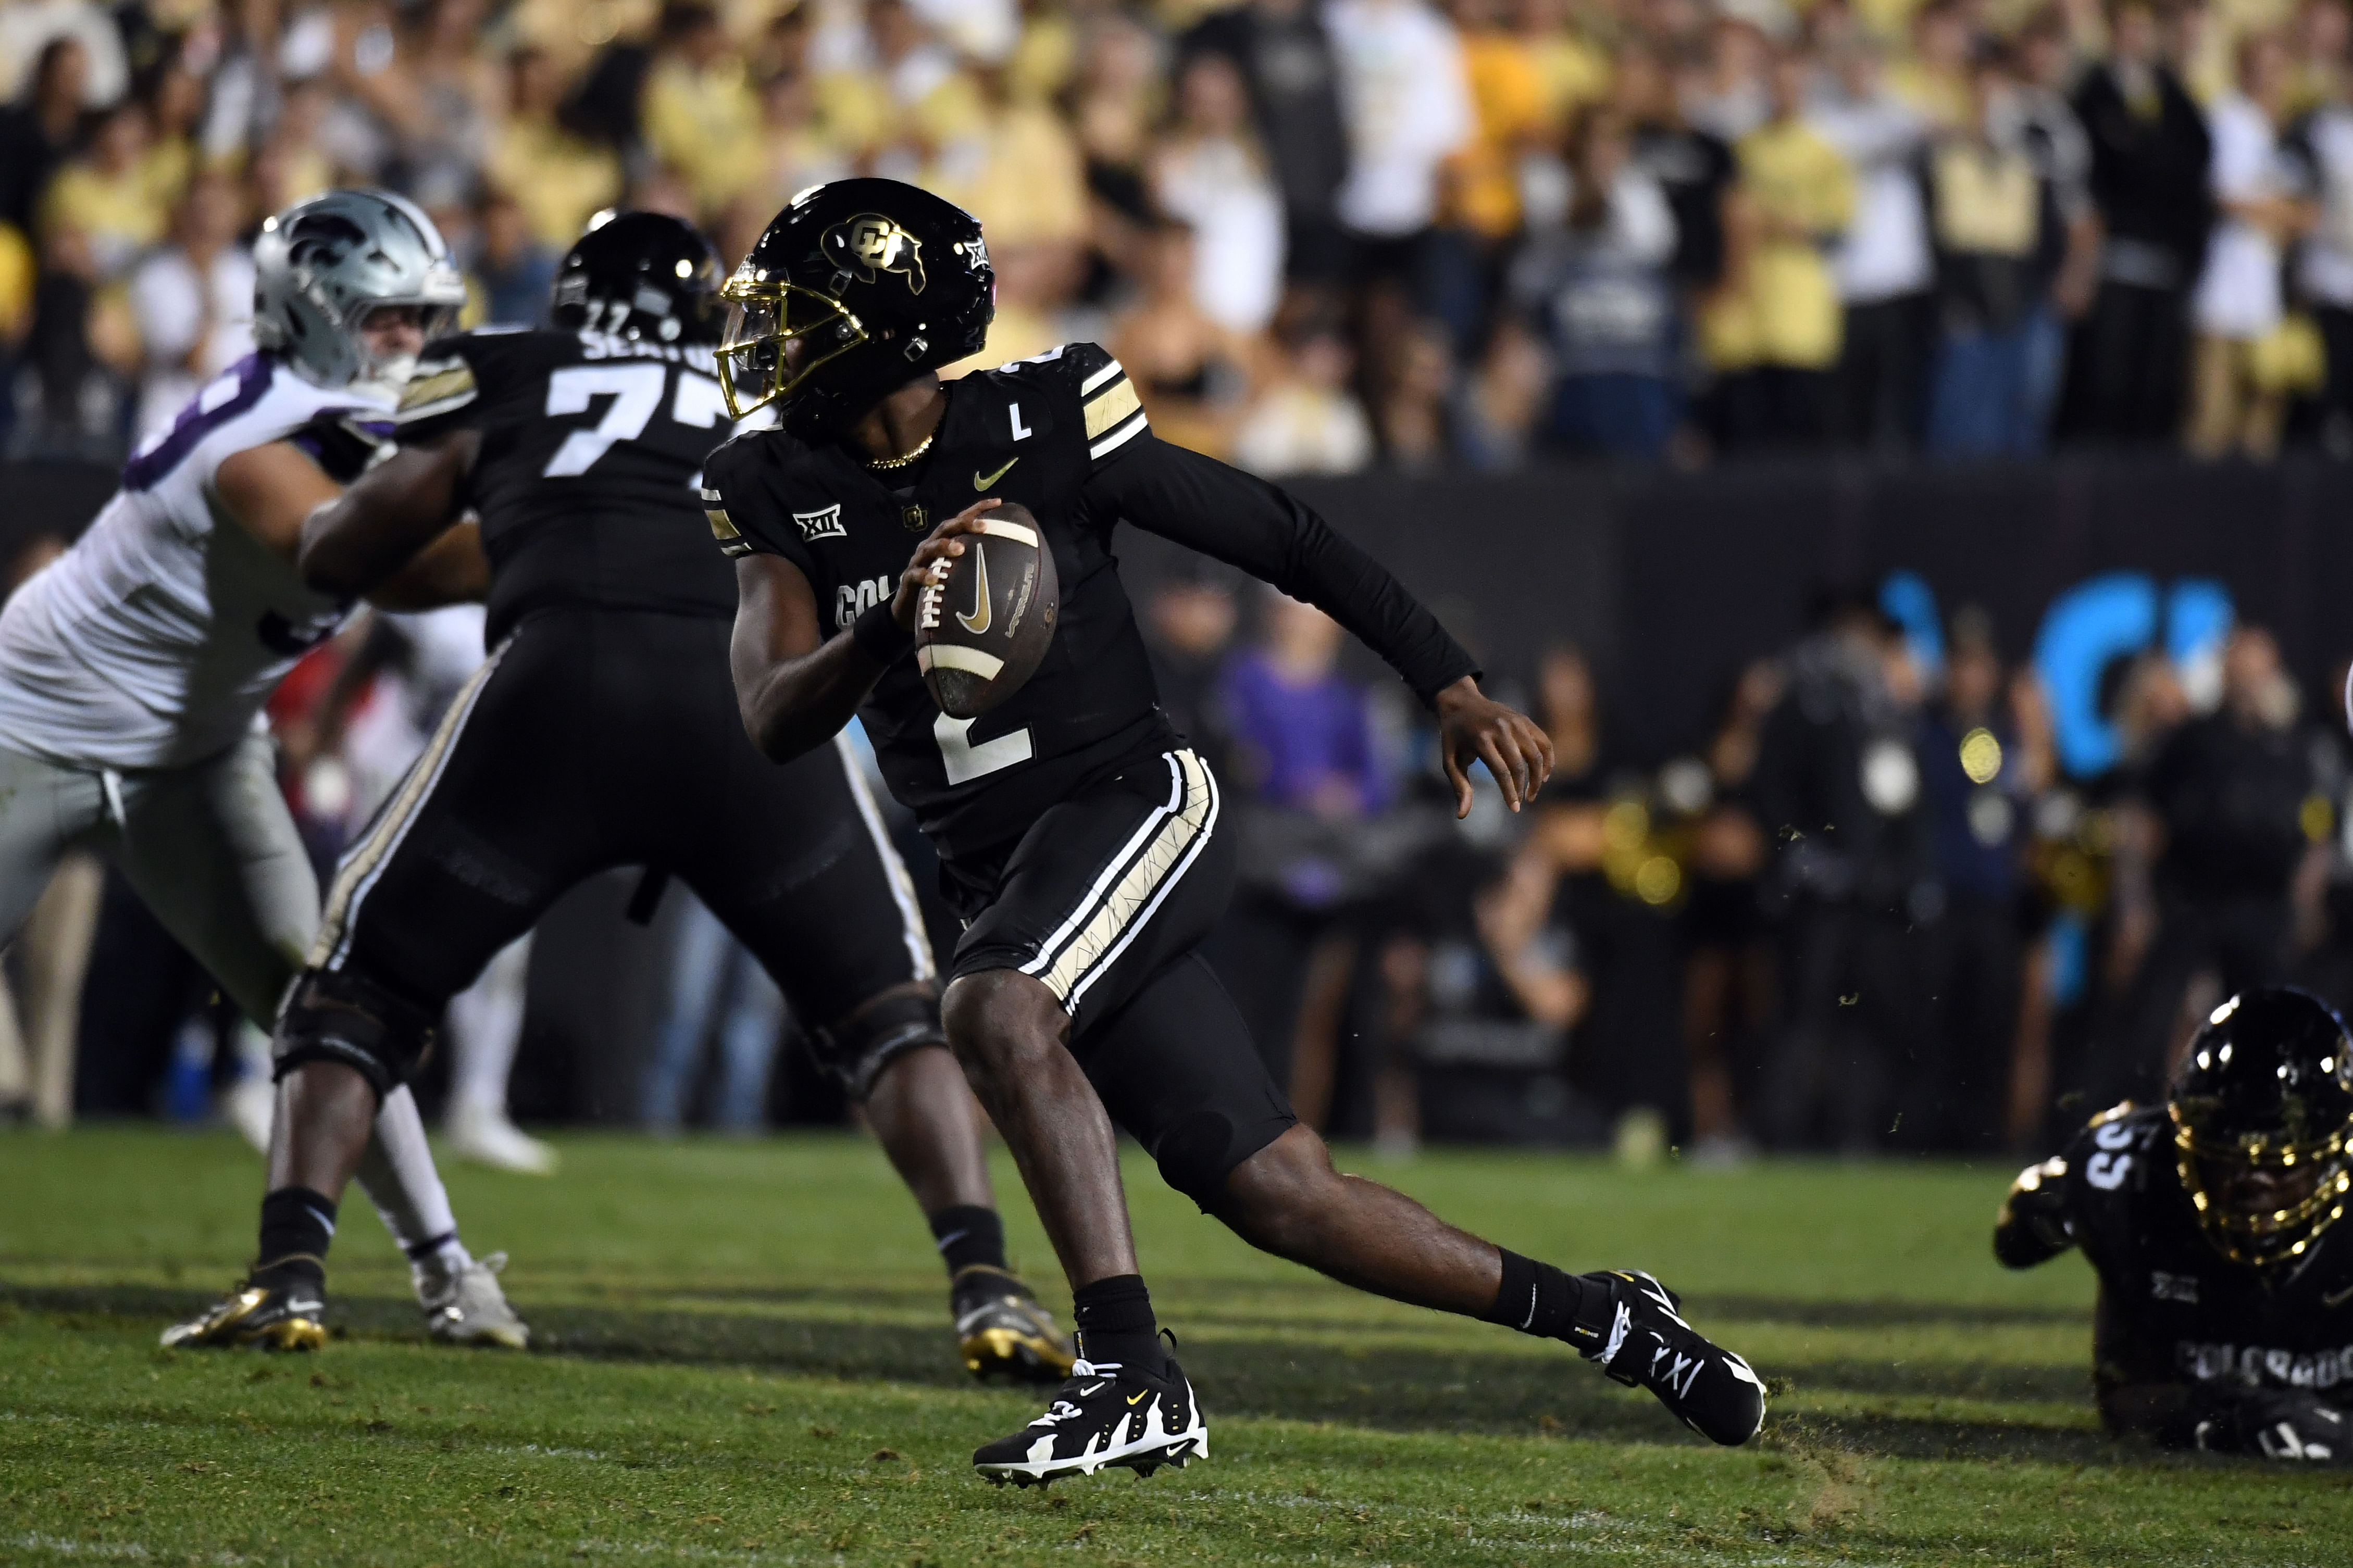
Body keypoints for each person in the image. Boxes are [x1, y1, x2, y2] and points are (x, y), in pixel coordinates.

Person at [703, 177, 1765, 1486]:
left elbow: (1285, 536)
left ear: (894, 323)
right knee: (1281, 1194)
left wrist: (1447, 678)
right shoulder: (768, 481)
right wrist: (883, 624)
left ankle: (1127, 1371)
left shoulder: (1040, 417)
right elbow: (770, 715)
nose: (779, 344)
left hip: (1135, 804)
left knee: (989, 1009)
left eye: (808, 317)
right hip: (1010, 870)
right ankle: (1614, 1321)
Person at [168, 211, 1074, 1391]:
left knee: (357, 993)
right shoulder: (770, 392)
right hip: (747, 703)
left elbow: (345, 552)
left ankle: (288, 1268)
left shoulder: (503, 364)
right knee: (887, 1015)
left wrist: (433, 523)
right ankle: (986, 1282)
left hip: (560, 682)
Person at [0, 189, 526, 1347]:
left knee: (325, 1004)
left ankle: (446, 1267)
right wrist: (564, 525)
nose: (415, 343)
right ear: (317, 315)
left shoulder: (372, 407)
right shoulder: (260, 433)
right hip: (31, 726)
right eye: (389, 320)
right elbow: (393, 567)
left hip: (197, 750)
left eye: (425, 318)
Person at [1997, 987, 2353, 1461]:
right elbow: (2014, 1237)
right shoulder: (2131, 1171)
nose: (2253, 1185)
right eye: (2227, 1163)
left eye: (2283, 1166)